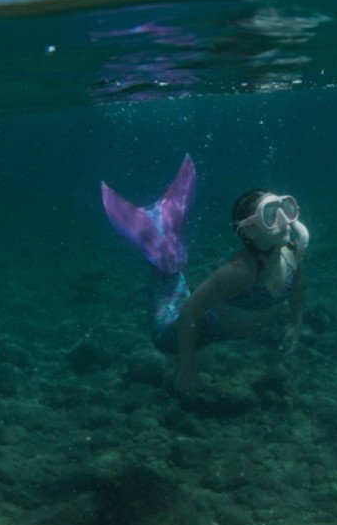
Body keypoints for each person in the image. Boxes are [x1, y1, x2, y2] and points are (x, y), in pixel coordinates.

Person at [101, 154, 307, 396]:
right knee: (167, 272)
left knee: (179, 276)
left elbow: (297, 284)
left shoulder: (293, 252)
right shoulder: (239, 272)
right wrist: (185, 369)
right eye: (271, 214)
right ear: (249, 231)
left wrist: (297, 323)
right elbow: (190, 311)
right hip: (190, 330)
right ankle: (160, 240)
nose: (284, 219)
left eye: (286, 207)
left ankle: (166, 230)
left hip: (218, 329)